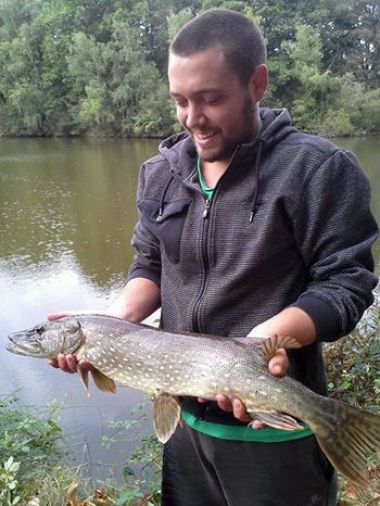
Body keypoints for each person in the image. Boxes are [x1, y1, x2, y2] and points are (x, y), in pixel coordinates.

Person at [49, 8, 378, 506]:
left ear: (257, 84)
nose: (192, 119)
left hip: (277, 435)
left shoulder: (318, 170)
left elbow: (346, 283)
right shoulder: (159, 173)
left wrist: (262, 343)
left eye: (210, 99)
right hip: (185, 426)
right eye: (180, 101)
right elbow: (149, 266)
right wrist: (106, 327)